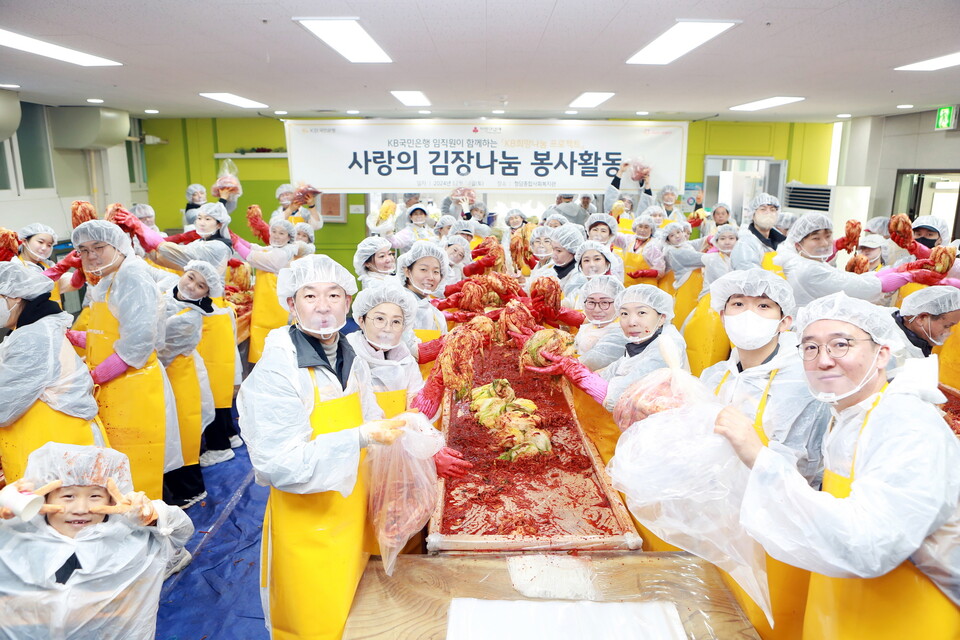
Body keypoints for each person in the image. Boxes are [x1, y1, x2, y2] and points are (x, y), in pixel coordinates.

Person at [716, 292, 960, 639]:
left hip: (906, 616)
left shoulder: (906, 422)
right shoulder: (847, 416)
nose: (823, 360)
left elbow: (868, 546)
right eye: (811, 348)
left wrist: (761, 458)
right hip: (838, 611)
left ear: (882, 353)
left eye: (841, 345)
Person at [238, 254, 411, 640]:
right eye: (310, 296)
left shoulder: (350, 356)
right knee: (314, 622)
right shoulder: (278, 370)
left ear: (348, 303)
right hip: (308, 523)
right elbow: (279, 464)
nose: (323, 306)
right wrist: (360, 437)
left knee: (352, 610)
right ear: (290, 304)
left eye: (334, 295)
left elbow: (371, 414)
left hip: (351, 512)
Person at [702, 269, 831, 637]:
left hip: (776, 526)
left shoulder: (802, 381)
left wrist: (751, 451)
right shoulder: (716, 376)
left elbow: (805, 465)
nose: (748, 314)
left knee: (768, 623)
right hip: (722, 520)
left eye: (763, 306)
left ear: (785, 321)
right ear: (722, 313)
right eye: (737, 304)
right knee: (722, 618)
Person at [0, 443, 194, 640]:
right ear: (44, 497)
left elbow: (181, 531)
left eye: (95, 496)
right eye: (68, 496)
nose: (81, 508)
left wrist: (152, 514)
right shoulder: (17, 538)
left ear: (111, 500)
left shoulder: (133, 541)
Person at [67, 220, 181, 500]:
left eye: (98, 247)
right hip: (116, 385)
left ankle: (147, 531)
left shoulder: (132, 276)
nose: (91, 255)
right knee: (119, 467)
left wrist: (94, 377)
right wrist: (78, 338)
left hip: (134, 384)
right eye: (83, 250)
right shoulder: (111, 276)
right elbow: (114, 330)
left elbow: (138, 343)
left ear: (117, 245)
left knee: (138, 468)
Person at [0, 262, 105, 483]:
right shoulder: (31, 329)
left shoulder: (34, 337)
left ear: (14, 296)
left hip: (59, 445)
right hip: (51, 443)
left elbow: (4, 405)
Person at [157, 261, 220, 508]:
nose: (191, 286)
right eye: (191, 277)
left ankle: (189, 490)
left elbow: (157, 344)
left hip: (177, 375)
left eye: (200, 286)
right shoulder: (167, 286)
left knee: (182, 434)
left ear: (206, 293)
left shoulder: (190, 318)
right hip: (166, 373)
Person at [774, 213, 919, 307]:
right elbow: (855, 286)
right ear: (798, 244)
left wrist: (892, 270)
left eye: (828, 236)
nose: (824, 243)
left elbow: (844, 277)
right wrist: (899, 277)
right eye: (816, 238)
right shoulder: (808, 270)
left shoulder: (810, 262)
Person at [232, 219, 305, 363]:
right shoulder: (274, 249)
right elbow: (255, 248)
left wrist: (235, 243)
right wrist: (234, 236)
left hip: (275, 311)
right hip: (265, 308)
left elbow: (254, 257)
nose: (276, 236)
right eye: (274, 231)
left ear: (289, 237)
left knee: (272, 348)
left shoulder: (282, 254)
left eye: (281, 233)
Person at [396, 242, 449, 367]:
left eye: (436, 272)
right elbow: (407, 351)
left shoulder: (436, 315)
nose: (430, 277)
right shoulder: (397, 306)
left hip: (430, 381)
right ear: (407, 271)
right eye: (423, 269)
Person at [574, 275, 627, 371]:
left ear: (618, 303)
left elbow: (594, 361)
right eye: (591, 302)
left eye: (604, 303)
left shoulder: (622, 331)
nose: (597, 309)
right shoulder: (587, 327)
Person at [894, 286, 960, 362]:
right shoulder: (895, 352)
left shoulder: (919, 344)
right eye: (947, 326)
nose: (947, 332)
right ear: (922, 318)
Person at [731, 193, 786, 271]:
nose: (768, 213)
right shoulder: (745, 244)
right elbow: (751, 277)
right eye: (763, 209)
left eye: (772, 209)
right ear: (753, 214)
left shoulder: (783, 243)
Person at [622, 213, 665, 287]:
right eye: (640, 226)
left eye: (646, 227)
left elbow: (660, 271)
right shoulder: (629, 240)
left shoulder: (653, 246)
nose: (642, 230)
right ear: (635, 228)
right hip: (628, 285)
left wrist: (644, 273)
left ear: (651, 230)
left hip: (646, 288)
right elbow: (613, 237)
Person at [699, 224, 738, 299]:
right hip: (711, 299)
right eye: (722, 238)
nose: (727, 242)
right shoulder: (712, 259)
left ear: (737, 240)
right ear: (716, 241)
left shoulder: (742, 259)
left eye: (731, 238)